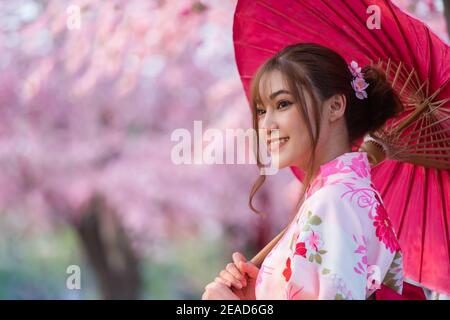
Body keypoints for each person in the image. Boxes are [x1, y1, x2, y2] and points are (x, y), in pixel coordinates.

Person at [202, 43, 405, 300]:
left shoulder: (333, 202)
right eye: (262, 111)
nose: (267, 124)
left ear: (335, 107)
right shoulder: (338, 196)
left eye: (283, 104)